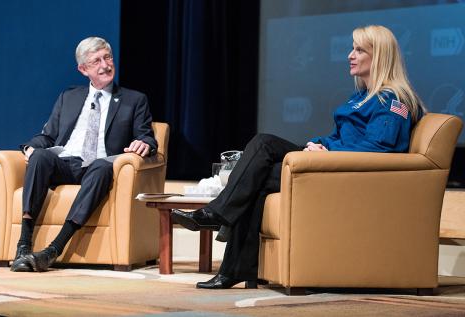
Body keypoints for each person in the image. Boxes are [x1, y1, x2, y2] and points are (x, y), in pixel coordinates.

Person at [171, 25, 427, 289]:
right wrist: (317, 144)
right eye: (352, 47)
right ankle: (231, 263)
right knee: (262, 152)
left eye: (359, 50)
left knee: (259, 162)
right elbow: (341, 138)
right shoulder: (361, 96)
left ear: (380, 57)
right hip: (329, 164)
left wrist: (329, 154)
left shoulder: (394, 101)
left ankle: (217, 218)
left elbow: (378, 149)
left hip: (343, 175)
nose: (350, 55)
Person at [10, 37, 157, 272]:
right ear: (83, 69)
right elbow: (48, 137)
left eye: (108, 57)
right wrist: (29, 147)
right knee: (39, 156)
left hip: (97, 168)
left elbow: (147, 136)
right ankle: (24, 244)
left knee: (101, 166)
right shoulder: (69, 97)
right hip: (65, 163)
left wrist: (145, 144)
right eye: (96, 61)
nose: (105, 65)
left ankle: (53, 250)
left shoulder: (134, 100)